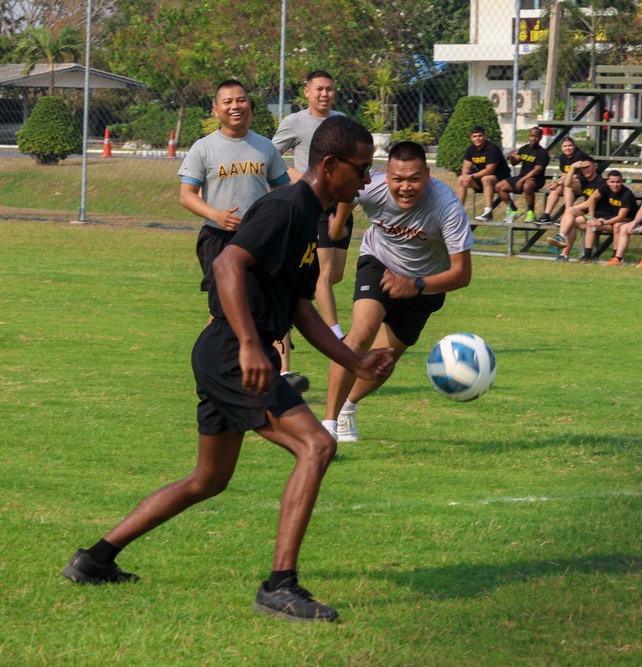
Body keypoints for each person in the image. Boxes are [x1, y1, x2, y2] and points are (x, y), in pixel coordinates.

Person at [61, 116, 395, 624]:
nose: (367, 179)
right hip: (233, 351)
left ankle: (94, 560)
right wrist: (248, 345)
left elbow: (301, 306)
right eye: (362, 168)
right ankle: (280, 586)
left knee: (208, 479)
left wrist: (355, 360)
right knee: (318, 445)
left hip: (233, 349)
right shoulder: (286, 207)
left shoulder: (309, 216)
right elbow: (226, 265)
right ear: (330, 165)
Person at [324, 141, 474, 443]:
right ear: (387, 175)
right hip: (379, 263)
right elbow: (348, 193)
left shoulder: (447, 208)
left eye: (414, 179)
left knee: (384, 360)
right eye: (398, 179)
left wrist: (415, 284)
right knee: (360, 335)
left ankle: (347, 409)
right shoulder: (373, 187)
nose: (405, 187)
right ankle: (326, 428)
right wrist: (338, 224)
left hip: (425, 284)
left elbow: (462, 274)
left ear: (428, 176)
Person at [178, 79, 304, 391]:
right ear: (215, 108)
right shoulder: (204, 148)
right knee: (223, 308)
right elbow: (187, 194)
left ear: (249, 105)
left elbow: (282, 190)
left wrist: (279, 223)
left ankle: (282, 374)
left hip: (261, 241)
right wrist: (215, 214)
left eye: (241, 100)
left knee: (270, 298)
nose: (236, 106)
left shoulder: (265, 147)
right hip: (219, 239)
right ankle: (215, 367)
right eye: (228, 101)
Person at [273, 70, 351, 342]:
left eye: (329, 89)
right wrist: (298, 178)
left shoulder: (342, 122)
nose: (324, 94)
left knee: (333, 275)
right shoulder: (294, 122)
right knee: (325, 272)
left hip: (340, 205)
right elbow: (271, 157)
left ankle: (293, 307)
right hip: (312, 204)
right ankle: (336, 335)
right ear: (306, 92)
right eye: (319, 89)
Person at [544, 158, 606, 262]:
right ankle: (563, 251)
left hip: (600, 214)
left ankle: (563, 246)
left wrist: (573, 208)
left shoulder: (601, 182)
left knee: (569, 214)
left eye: (588, 167)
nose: (585, 170)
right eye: (582, 168)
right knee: (570, 219)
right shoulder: (585, 180)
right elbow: (568, 184)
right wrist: (572, 168)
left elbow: (590, 202)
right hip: (589, 213)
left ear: (594, 167)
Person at [578, 170, 637, 264]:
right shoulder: (606, 187)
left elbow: (621, 217)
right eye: (612, 182)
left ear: (622, 182)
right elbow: (592, 198)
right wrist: (592, 218)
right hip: (613, 217)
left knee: (617, 225)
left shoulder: (627, 194)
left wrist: (602, 222)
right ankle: (587, 256)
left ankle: (616, 258)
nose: (615, 184)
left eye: (618, 182)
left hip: (628, 220)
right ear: (608, 182)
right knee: (591, 224)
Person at [455, 126, 510, 222]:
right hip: (482, 177)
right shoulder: (471, 149)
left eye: (480, 136)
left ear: (485, 136)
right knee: (461, 179)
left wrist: (472, 176)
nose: (477, 138)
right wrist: (465, 176)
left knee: (486, 179)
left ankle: (488, 212)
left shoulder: (492, 148)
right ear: (471, 138)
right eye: (475, 136)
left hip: (500, 177)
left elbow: (490, 170)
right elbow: (466, 167)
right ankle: (459, 212)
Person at [496, 126, 550, 223]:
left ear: (540, 138)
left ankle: (530, 212)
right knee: (499, 186)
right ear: (529, 136)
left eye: (536, 136)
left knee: (527, 185)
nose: (533, 138)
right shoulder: (524, 148)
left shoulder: (543, 153)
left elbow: (536, 171)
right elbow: (514, 162)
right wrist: (511, 157)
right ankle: (514, 210)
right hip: (522, 176)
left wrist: (521, 180)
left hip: (536, 179)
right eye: (532, 136)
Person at [535, 136, 589, 224]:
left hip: (585, 183)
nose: (567, 148)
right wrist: (556, 182)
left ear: (574, 146)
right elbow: (564, 173)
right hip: (573, 182)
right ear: (561, 148)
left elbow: (576, 175)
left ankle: (567, 215)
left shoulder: (579, 155)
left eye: (570, 145)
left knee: (568, 185)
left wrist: (560, 182)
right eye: (565, 146)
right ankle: (546, 216)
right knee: (556, 189)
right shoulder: (563, 157)